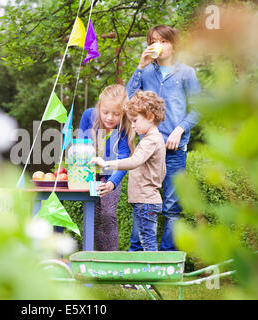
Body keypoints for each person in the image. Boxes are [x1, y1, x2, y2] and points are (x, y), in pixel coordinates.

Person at [125, 25, 201, 251]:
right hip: (147, 148)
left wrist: (180, 129)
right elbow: (129, 100)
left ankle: (167, 259)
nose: (159, 45)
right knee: (141, 204)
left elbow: (197, 109)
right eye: (154, 41)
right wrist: (139, 66)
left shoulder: (187, 73)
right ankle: (137, 257)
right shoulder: (146, 72)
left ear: (174, 44)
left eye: (164, 41)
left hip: (176, 150)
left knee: (171, 207)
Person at [90, 90, 166, 251]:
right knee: (141, 242)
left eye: (135, 120)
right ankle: (145, 273)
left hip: (146, 202)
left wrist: (106, 164)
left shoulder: (150, 141)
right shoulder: (152, 139)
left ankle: (153, 273)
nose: (132, 125)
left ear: (150, 117)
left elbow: (133, 161)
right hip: (143, 202)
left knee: (147, 244)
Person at [77, 84, 135, 251]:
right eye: (105, 112)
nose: (110, 117)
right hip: (90, 173)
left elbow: (124, 160)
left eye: (116, 114)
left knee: (108, 214)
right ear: (99, 108)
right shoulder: (89, 116)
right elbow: (82, 144)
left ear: (123, 113)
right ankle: (94, 255)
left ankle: (110, 256)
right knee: (93, 215)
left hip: (111, 175)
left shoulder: (124, 127)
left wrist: (111, 183)